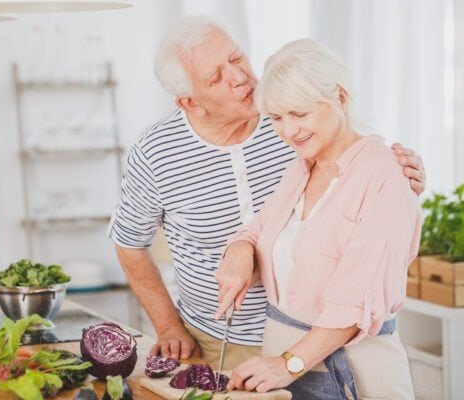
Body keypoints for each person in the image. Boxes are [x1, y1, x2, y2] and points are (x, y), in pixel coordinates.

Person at [109, 16, 426, 369]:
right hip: (217, 341)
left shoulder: (292, 118)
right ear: (191, 103)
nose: (240, 77)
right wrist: (168, 327)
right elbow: (129, 241)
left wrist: (400, 174)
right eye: (216, 78)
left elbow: (355, 165)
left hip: (320, 335)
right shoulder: (156, 152)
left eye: (236, 58)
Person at [217, 38, 421, 399]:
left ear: (340, 98)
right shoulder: (300, 168)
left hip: (356, 375)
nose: (288, 131)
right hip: (283, 372)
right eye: (277, 118)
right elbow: (261, 227)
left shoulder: (386, 175)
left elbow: (357, 299)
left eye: (300, 113)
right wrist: (240, 247)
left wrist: (288, 364)